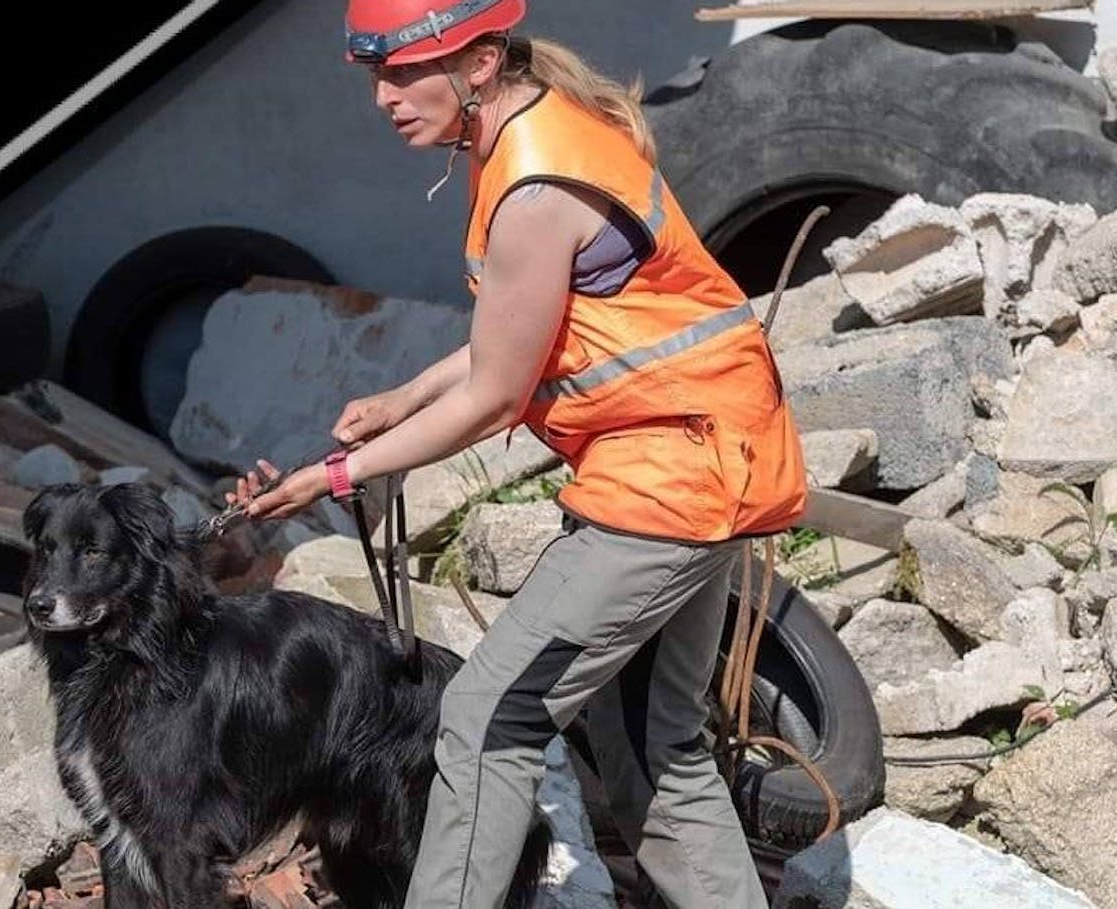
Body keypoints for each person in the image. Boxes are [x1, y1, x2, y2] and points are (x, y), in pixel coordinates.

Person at [228, 1, 809, 905]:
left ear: (481, 62)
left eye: (400, 71)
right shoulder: (533, 139)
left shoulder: (537, 185)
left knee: (486, 719)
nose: (382, 96)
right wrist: (402, 399)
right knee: (655, 738)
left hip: (672, 483)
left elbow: (499, 391)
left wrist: (341, 472)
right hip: (708, 459)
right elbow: (526, 326)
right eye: (373, 74)